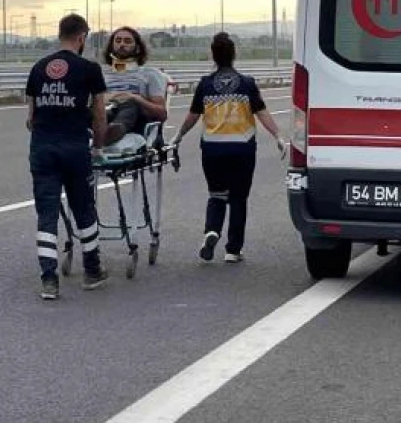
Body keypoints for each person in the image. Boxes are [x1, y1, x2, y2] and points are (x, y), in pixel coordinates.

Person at [172, 32, 287, 263]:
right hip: (242, 149)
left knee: (216, 194)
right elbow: (261, 112)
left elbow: (192, 117)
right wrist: (278, 136)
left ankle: (211, 230)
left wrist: (178, 136)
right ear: (235, 54)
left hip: (213, 150)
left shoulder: (205, 85)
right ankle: (233, 249)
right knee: (238, 198)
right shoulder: (247, 84)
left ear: (212, 55)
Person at [26, 14, 109, 300]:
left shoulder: (37, 69)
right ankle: (92, 271)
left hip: (42, 149)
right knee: (84, 209)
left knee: (46, 214)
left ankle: (49, 280)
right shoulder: (89, 69)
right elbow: (99, 114)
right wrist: (98, 147)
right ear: (82, 37)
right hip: (74, 149)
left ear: (60, 34)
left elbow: (30, 118)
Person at [101, 27, 168, 147]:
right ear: (111, 45)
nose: (122, 44)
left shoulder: (149, 74)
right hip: (106, 113)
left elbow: (162, 114)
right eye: (118, 40)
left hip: (135, 120)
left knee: (130, 102)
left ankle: (114, 131)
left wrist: (135, 98)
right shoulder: (101, 74)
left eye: (127, 41)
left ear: (137, 48)